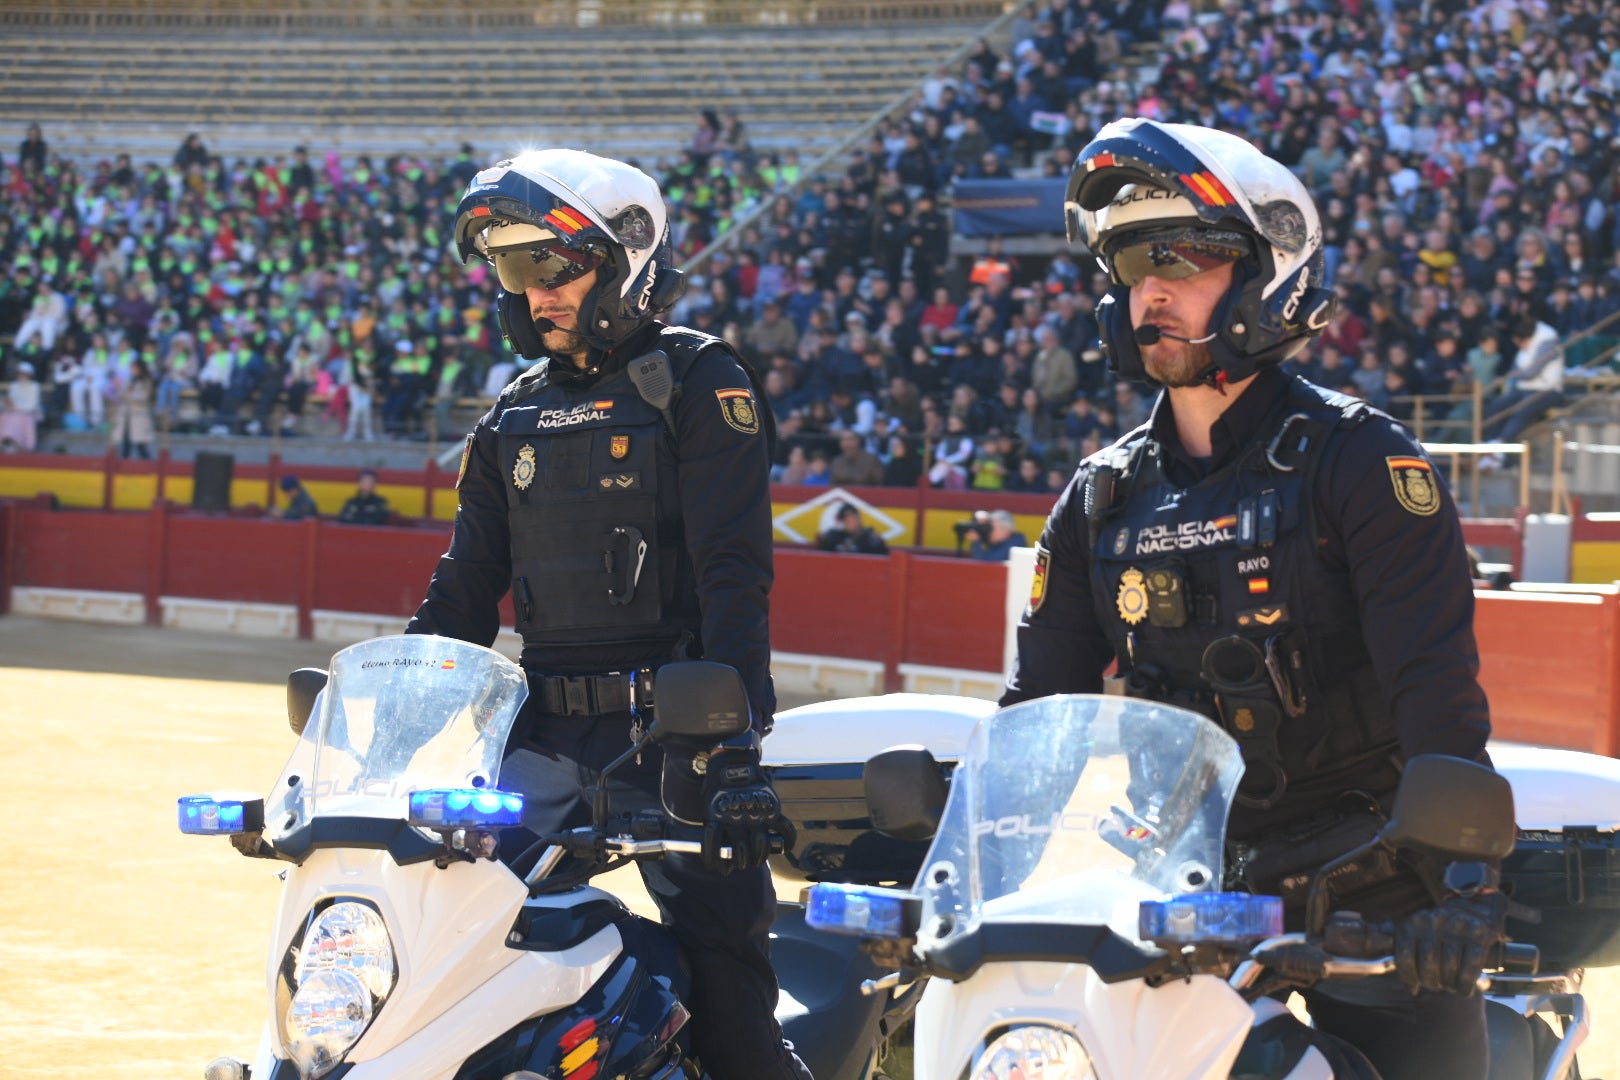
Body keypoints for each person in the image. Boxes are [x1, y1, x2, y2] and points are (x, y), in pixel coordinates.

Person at [1003, 119, 1500, 1080]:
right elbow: (1038, 719)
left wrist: (1465, 881)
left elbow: (1436, 688)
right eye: (1129, 266)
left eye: (1181, 258)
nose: (1150, 291)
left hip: (1381, 884)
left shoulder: (1364, 461)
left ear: (1271, 272)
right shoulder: (1098, 500)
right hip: (1181, 892)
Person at [404, 149, 810, 1080]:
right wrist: (394, 734)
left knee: (730, 996)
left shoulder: (700, 381)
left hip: (677, 737)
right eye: (513, 270)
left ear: (627, 255)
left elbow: (734, 576)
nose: (533, 293)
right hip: (540, 740)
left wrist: (737, 750)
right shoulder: (511, 412)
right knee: (444, 945)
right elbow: (464, 590)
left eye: (552, 266)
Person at [816, 502, 889, 555]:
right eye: (848, 519)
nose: (852, 521)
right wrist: (823, 540)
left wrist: (879, 542)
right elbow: (821, 556)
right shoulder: (834, 536)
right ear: (843, 522)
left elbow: (881, 556)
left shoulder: (868, 536)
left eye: (855, 518)